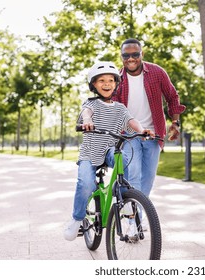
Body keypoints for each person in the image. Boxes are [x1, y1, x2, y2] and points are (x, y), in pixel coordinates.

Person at [64, 61, 154, 241]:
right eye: (101, 81)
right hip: (90, 153)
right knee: (87, 184)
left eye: (111, 80)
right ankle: (77, 219)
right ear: (94, 85)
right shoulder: (91, 104)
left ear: (116, 84)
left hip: (109, 150)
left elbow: (131, 121)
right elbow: (87, 113)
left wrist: (141, 129)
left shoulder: (120, 108)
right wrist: (87, 121)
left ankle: (124, 197)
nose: (107, 84)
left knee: (125, 158)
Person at [113, 38, 186, 197]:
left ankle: (136, 209)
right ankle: (133, 218)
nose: (130, 59)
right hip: (129, 135)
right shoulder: (117, 79)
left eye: (135, 54)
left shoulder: (157, 73)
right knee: (133, 175)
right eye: (126, 55)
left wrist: (175, 122)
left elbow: (172, 97)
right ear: (121, 57)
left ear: (142, 54)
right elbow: (115, 109)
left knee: (148, 178)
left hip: (154, 134)